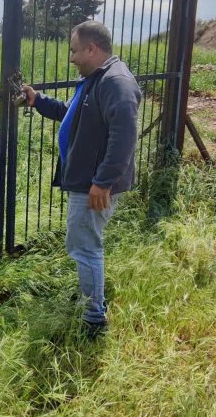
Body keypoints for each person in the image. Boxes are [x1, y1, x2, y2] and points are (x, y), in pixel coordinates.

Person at [20, 20, 142, 338]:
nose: (71, 58)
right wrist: (39, 101)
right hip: (89, 179)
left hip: (95, 183)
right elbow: (74, 113)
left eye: (75, 51)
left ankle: (93, 318)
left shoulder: (116, 83)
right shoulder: (95, 78)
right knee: (85, 244)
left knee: (84, 246)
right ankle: (92, 297)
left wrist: (103, 182)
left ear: (91, 48)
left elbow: (124, 137)